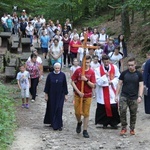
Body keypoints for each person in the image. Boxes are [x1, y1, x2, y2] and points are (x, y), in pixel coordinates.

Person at [115, 57, 144, 135]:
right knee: (122, 111)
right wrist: (116, 95)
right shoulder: (124, 73)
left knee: (133, 113)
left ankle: (132, 128)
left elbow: (141, 85)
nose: (130, 67)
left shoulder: (139, 74)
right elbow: (119, 84)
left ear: (135, 64)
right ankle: (124, 127)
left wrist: (140, 96)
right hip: (124, 96)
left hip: (134, 97)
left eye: (132, 65)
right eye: (129, 65)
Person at [71, 55, 96, 138]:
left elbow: (93, 85)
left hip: (87, 95)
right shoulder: (78, 71)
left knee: (86, 113)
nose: (86, 64)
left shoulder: (92, 72)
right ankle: (79, 122)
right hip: (78, 95)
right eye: (85, 62)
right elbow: (72, 82)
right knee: (77, 112)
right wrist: (78, 91)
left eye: (88, 62)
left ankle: (85, 130)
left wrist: (86, 80)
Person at [95, 55, 120, 129]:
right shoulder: (97, 70)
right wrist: (105, 77)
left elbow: (118, 77)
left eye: (107, 61)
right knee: (103, 107)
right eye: (104, 61)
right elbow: (97, 81)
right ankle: (104, 123)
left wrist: (112, 82)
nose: (106, 63)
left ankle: (114, 123)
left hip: (112, 89)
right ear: (102, 61)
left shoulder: (114, 67)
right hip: (102, 91)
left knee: (113, 106)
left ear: (109, 60)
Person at [44, 62, 68, 131]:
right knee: (52, 108)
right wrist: (46, 95)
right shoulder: (50, 75)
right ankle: (53, 123)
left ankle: (59, 124)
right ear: (54, 68)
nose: (57, 69)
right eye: (56, 68)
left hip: (60, 95)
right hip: (52, 95)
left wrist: (66, 94)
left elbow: (64, 85)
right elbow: (47, 86)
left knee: (59, 109)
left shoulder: (63, 75)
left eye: (58, 68)